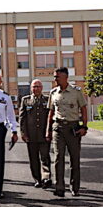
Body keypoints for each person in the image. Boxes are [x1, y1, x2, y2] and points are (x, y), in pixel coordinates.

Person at [46, 67, 88, 197]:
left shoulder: (76, 92)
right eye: (54, 77)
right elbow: (51, 112)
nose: (55, 79)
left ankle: (75, 187)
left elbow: (83, 109)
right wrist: (48, 130)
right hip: (58, 127)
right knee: (58, 158)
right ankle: (59, 187)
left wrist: (84, 127)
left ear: (65, 77)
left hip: (72, 128)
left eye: (57, 77)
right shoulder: (53, 93)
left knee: (74, 159)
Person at [18, 79, 52, 188]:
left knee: (45, 157)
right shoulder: (25, 100)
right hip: (31, 135)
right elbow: (22, 118)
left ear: (42, 88)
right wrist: (23, 133)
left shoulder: (47, 100)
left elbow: (50, 117)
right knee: (33, 159)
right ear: (31, 88)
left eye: (38, 86)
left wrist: (50, 131)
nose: (36, 88)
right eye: (34, 87)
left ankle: (46, 177)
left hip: (44, 135)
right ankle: (37, 179)